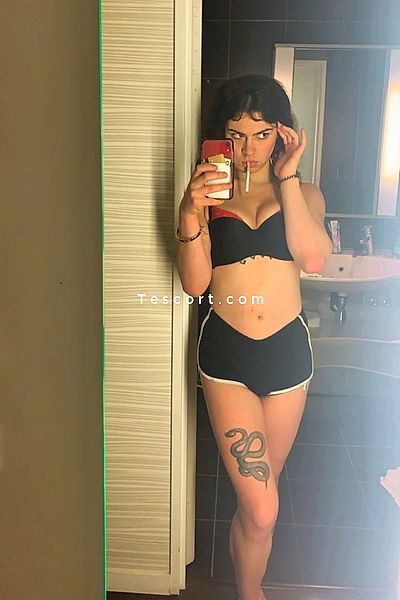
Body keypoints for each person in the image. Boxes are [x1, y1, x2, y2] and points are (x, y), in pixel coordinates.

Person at [176, 74, 333, 600]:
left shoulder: (304, 193)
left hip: (287, 356)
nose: (248, 149)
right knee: (263, 505)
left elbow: (313, 257)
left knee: (258, 504)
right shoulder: (208, 195)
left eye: (262, 134)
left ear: (282, 134)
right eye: (236, 135)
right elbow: (195, 284)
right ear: (220, 136)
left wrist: (286, 178)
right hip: (228, 356)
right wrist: (190, 211)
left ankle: (249, 590)